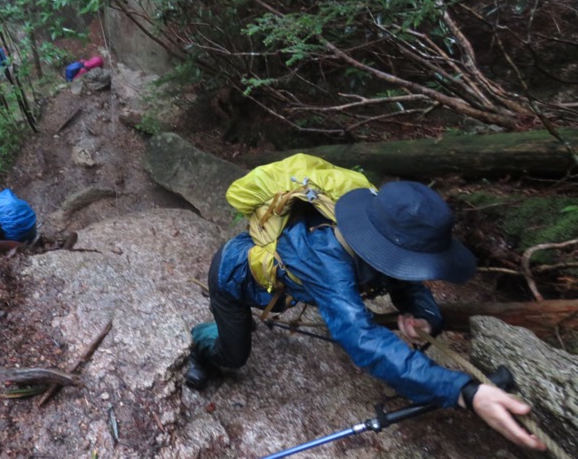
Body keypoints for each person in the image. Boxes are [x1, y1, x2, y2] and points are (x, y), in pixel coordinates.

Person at [185, 181, 546, 452]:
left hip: (284, 289)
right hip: (232, 279)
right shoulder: (323, 256)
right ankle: (202, 344)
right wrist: (464, 391)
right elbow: (360, 339)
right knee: (234, 354)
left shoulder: (375, 227)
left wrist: (423, 316)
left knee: (307, 306)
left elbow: (404, 279)